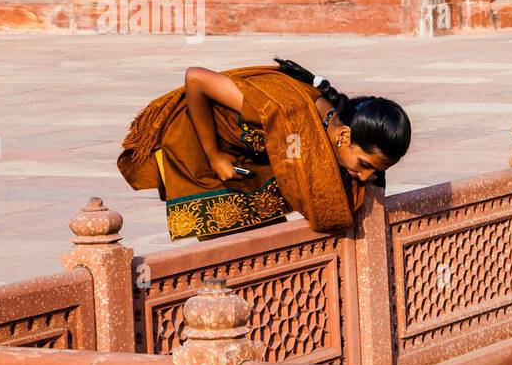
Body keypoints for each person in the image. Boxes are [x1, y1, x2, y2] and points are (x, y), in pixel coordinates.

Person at [118, 58, 411, 240]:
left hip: (248, 159)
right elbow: (196, 78)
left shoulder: (328, 122)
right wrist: (214, 156)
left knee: (268, 232)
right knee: (230, 246)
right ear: (344, 136)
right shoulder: (282, 108)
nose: (363, 176)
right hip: (198, 148)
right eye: (363, 164)